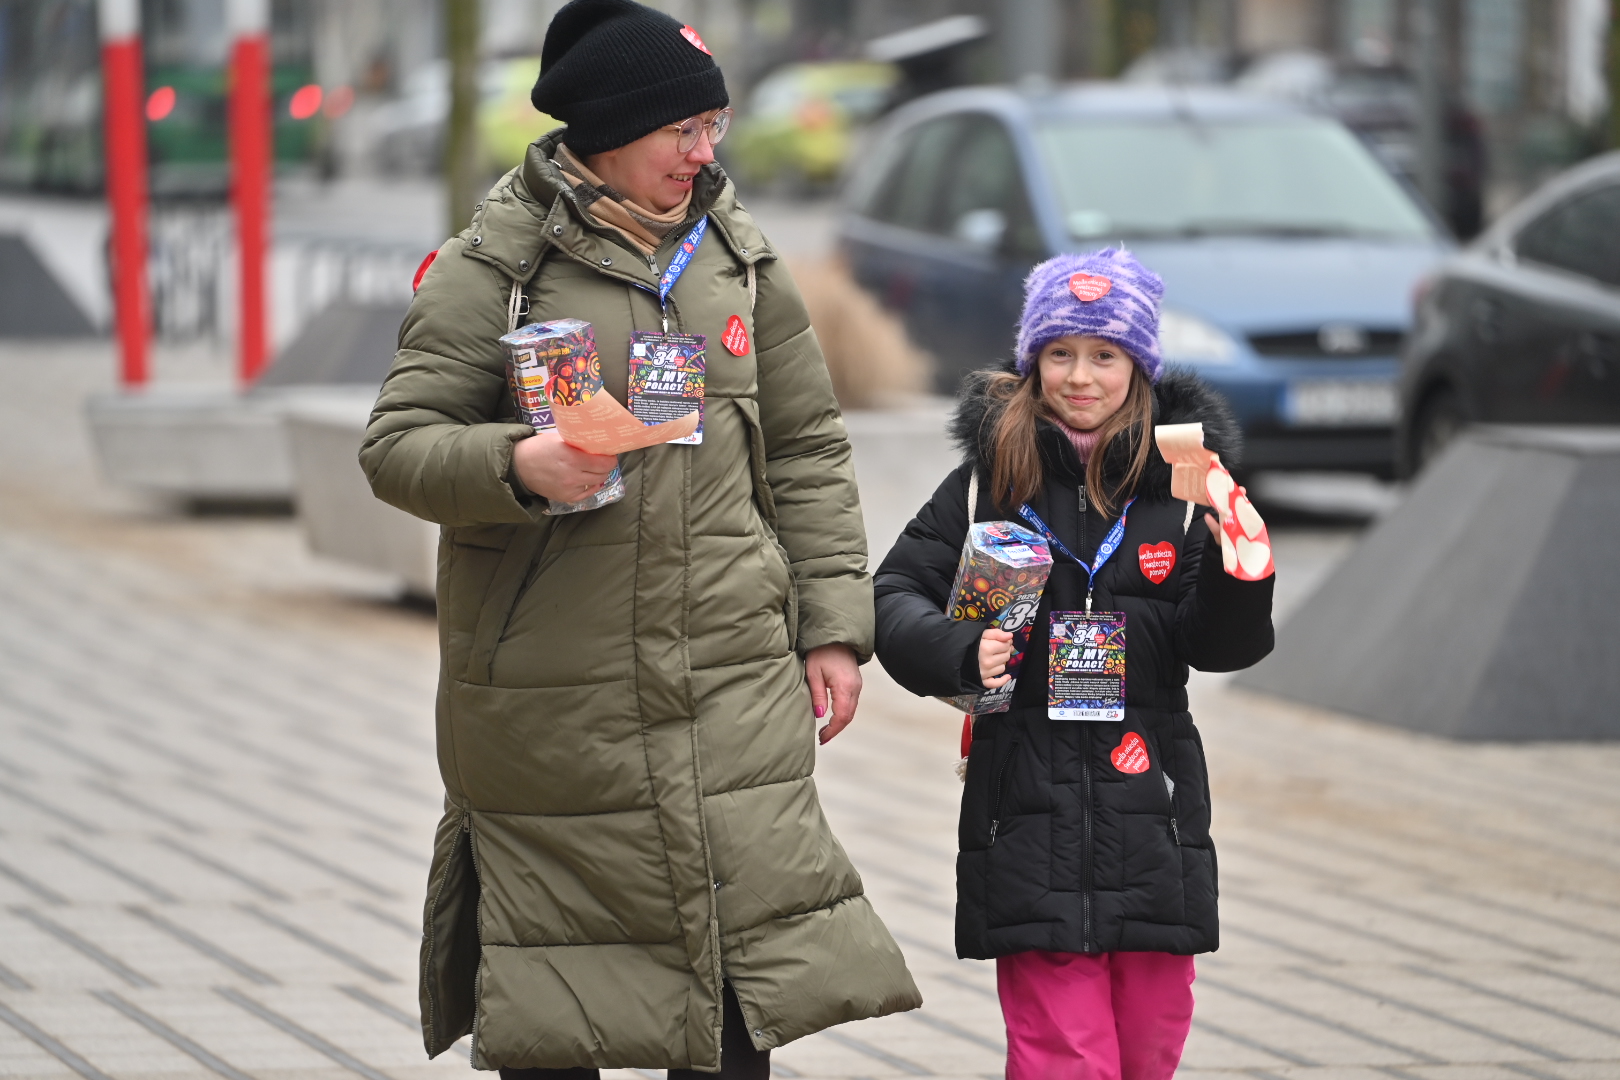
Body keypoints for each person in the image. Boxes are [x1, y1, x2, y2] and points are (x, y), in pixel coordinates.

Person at [360, 0, 920, 1074]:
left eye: (715, 127)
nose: (708, 154)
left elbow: (805, 451)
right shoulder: (495, 269)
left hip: (730, 683)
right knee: (559, 993)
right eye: (686, 132)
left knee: (733, 998)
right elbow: (396, 447)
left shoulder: (737, 261)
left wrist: (833, 628)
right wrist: (518, 468)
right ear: (609, 132)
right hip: (551, 700)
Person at [872, 249, 1275, 1080]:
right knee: (1066, 1056)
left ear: (1141, 366)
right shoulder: (991, 480)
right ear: (1031, 362)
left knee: (1151, 1041)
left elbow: (1218, 644)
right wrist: (957, 646)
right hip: (1026, 810)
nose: (1080, 377)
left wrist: (1244, 577)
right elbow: (894, 594)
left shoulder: (1184, 485)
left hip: (1151, 810)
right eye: (1060, 354)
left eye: (1105, 356)